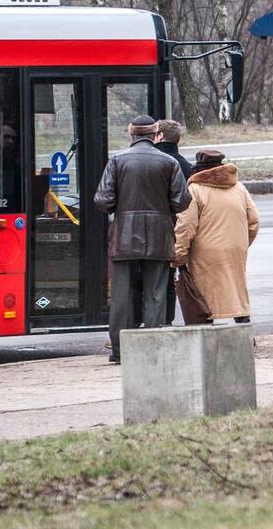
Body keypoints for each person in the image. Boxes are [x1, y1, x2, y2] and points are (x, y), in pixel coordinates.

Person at [95, 114, 190, 364]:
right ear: (155, 133)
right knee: (156, 294)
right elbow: (182, 201)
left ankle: (120, 352)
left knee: (122, 296)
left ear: (131, 134)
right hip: (159, 237)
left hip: (124, 237)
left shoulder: (117, 161)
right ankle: (152, 350)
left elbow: (103, 200)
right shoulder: (169, 162)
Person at [173, 150, 260, 323]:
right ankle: (243, 329)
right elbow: (254, 220)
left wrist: (179, 253)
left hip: (204, 251)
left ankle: (205, 330)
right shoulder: (239, 188)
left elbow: (186, 226)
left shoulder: (194, 190)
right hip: (236, 248)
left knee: (204, 293)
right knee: (236, 289)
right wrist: (242, 243)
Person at [153, 119, 193, 325]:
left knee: (155, 279)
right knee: (172, 280)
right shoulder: (187, 166)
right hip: (181, 229)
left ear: (159, 136)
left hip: (158, 229)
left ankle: (154, 322)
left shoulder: (155, 162)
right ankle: (168, 322)